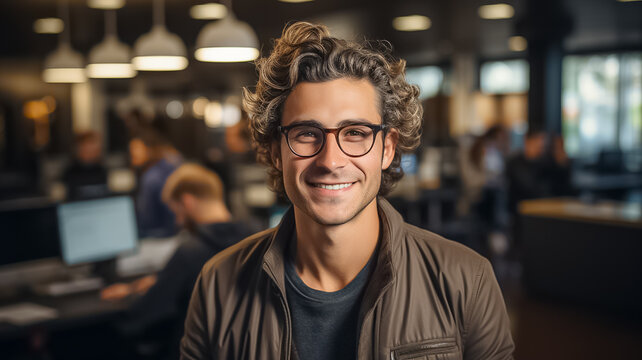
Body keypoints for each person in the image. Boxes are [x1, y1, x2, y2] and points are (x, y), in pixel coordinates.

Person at [181, 22, 514, 360]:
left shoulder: (466, 281)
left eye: (355, 132)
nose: (331, 160)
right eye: (306, 133)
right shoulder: (218, 284)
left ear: (387, 148)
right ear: (275, 150)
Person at [101, 163, 251, 357]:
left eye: (177, 212)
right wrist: (159, 281)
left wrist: (131, 297)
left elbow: (143, 314)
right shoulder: (256, 238)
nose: (178, 222)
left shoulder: (190, 252)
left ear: (187, 201)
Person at [129, 128, 182, 238]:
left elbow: (147, 221)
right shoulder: (169, 165)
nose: (132, 153)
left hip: (159, 238)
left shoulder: (150, 178)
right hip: (177, 233)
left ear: (149, 149)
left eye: (136, 148)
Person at [62, 131, 109, 200]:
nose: (91, 151)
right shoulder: (71, 173)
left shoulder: (102, 170)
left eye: (94, 147)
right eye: (87, 147)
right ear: (78, 149)